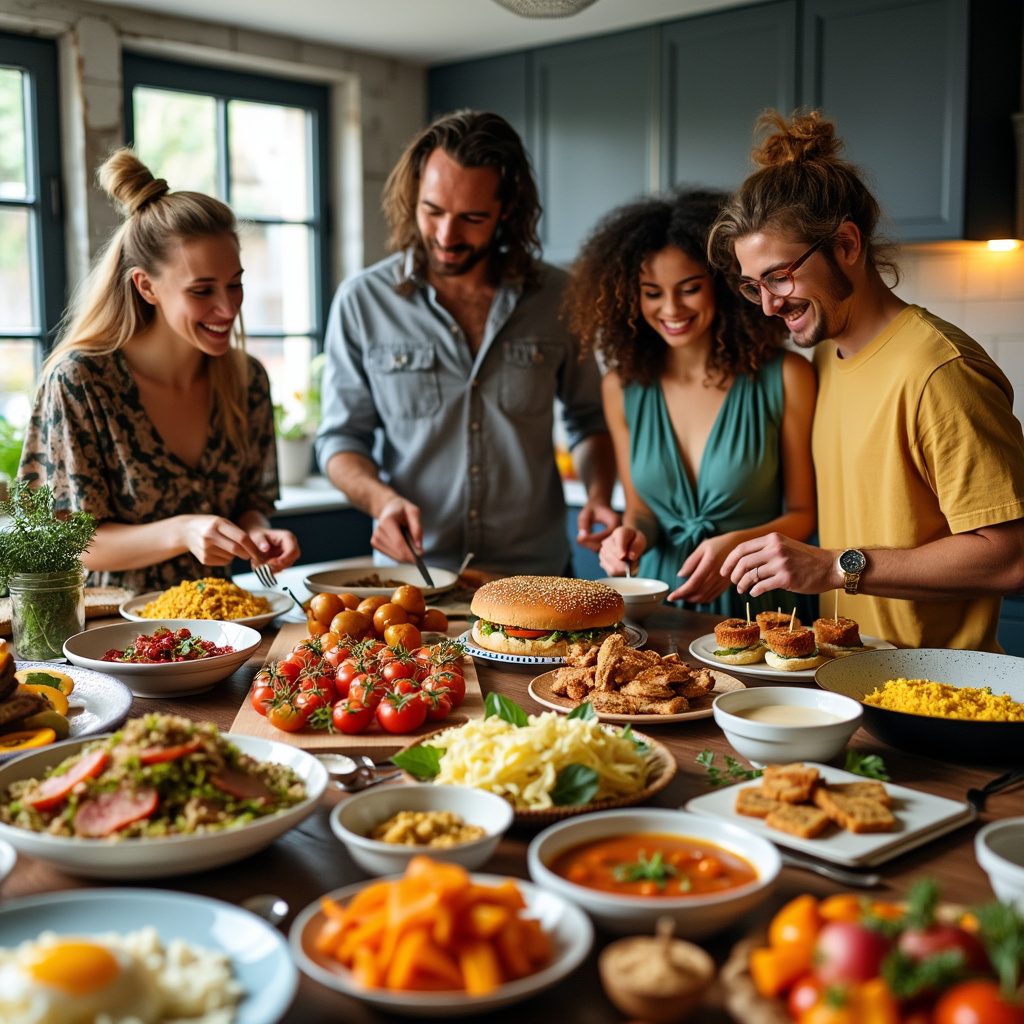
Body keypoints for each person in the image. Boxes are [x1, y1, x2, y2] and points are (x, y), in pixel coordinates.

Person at [712, 110, 1024, 651]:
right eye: (751, 286)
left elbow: (1010, 557)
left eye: (779, 277)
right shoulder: (827, 361)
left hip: (936, 698)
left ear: (847, 245)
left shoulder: (938, 370)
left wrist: (838, 566)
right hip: (851, 678)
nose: (767, 305)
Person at [315, 110, 618, 577]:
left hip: (535, 576)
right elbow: (340, 441)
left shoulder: (560, 298)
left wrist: (598, 495)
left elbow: (589, 420)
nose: (446, 235)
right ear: (412, 196)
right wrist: (382, 500)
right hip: (414, 578)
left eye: (472, 217)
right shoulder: (363, 301)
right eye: (432, 211)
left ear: (507, 212)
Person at [19, 148, 299, 592]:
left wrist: (256, 529)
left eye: (235, 284)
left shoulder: (248, 381)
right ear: (146, 286)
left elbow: (251, 501)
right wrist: (183, 531)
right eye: (202, 290)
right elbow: (65, 542)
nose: (227, 308)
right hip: (109, 637)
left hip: (222, 632)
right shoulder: (81, 382)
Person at [564, 189, 817, 618]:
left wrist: (734, 545)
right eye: (652, 292)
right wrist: (627, 537)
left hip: (758, 600)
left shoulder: (787, 377)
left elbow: (802, 515)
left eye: (689, 288)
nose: (671, 308)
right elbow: (641, 510)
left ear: (724, 287)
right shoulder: (621, 387)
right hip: (661, 602)